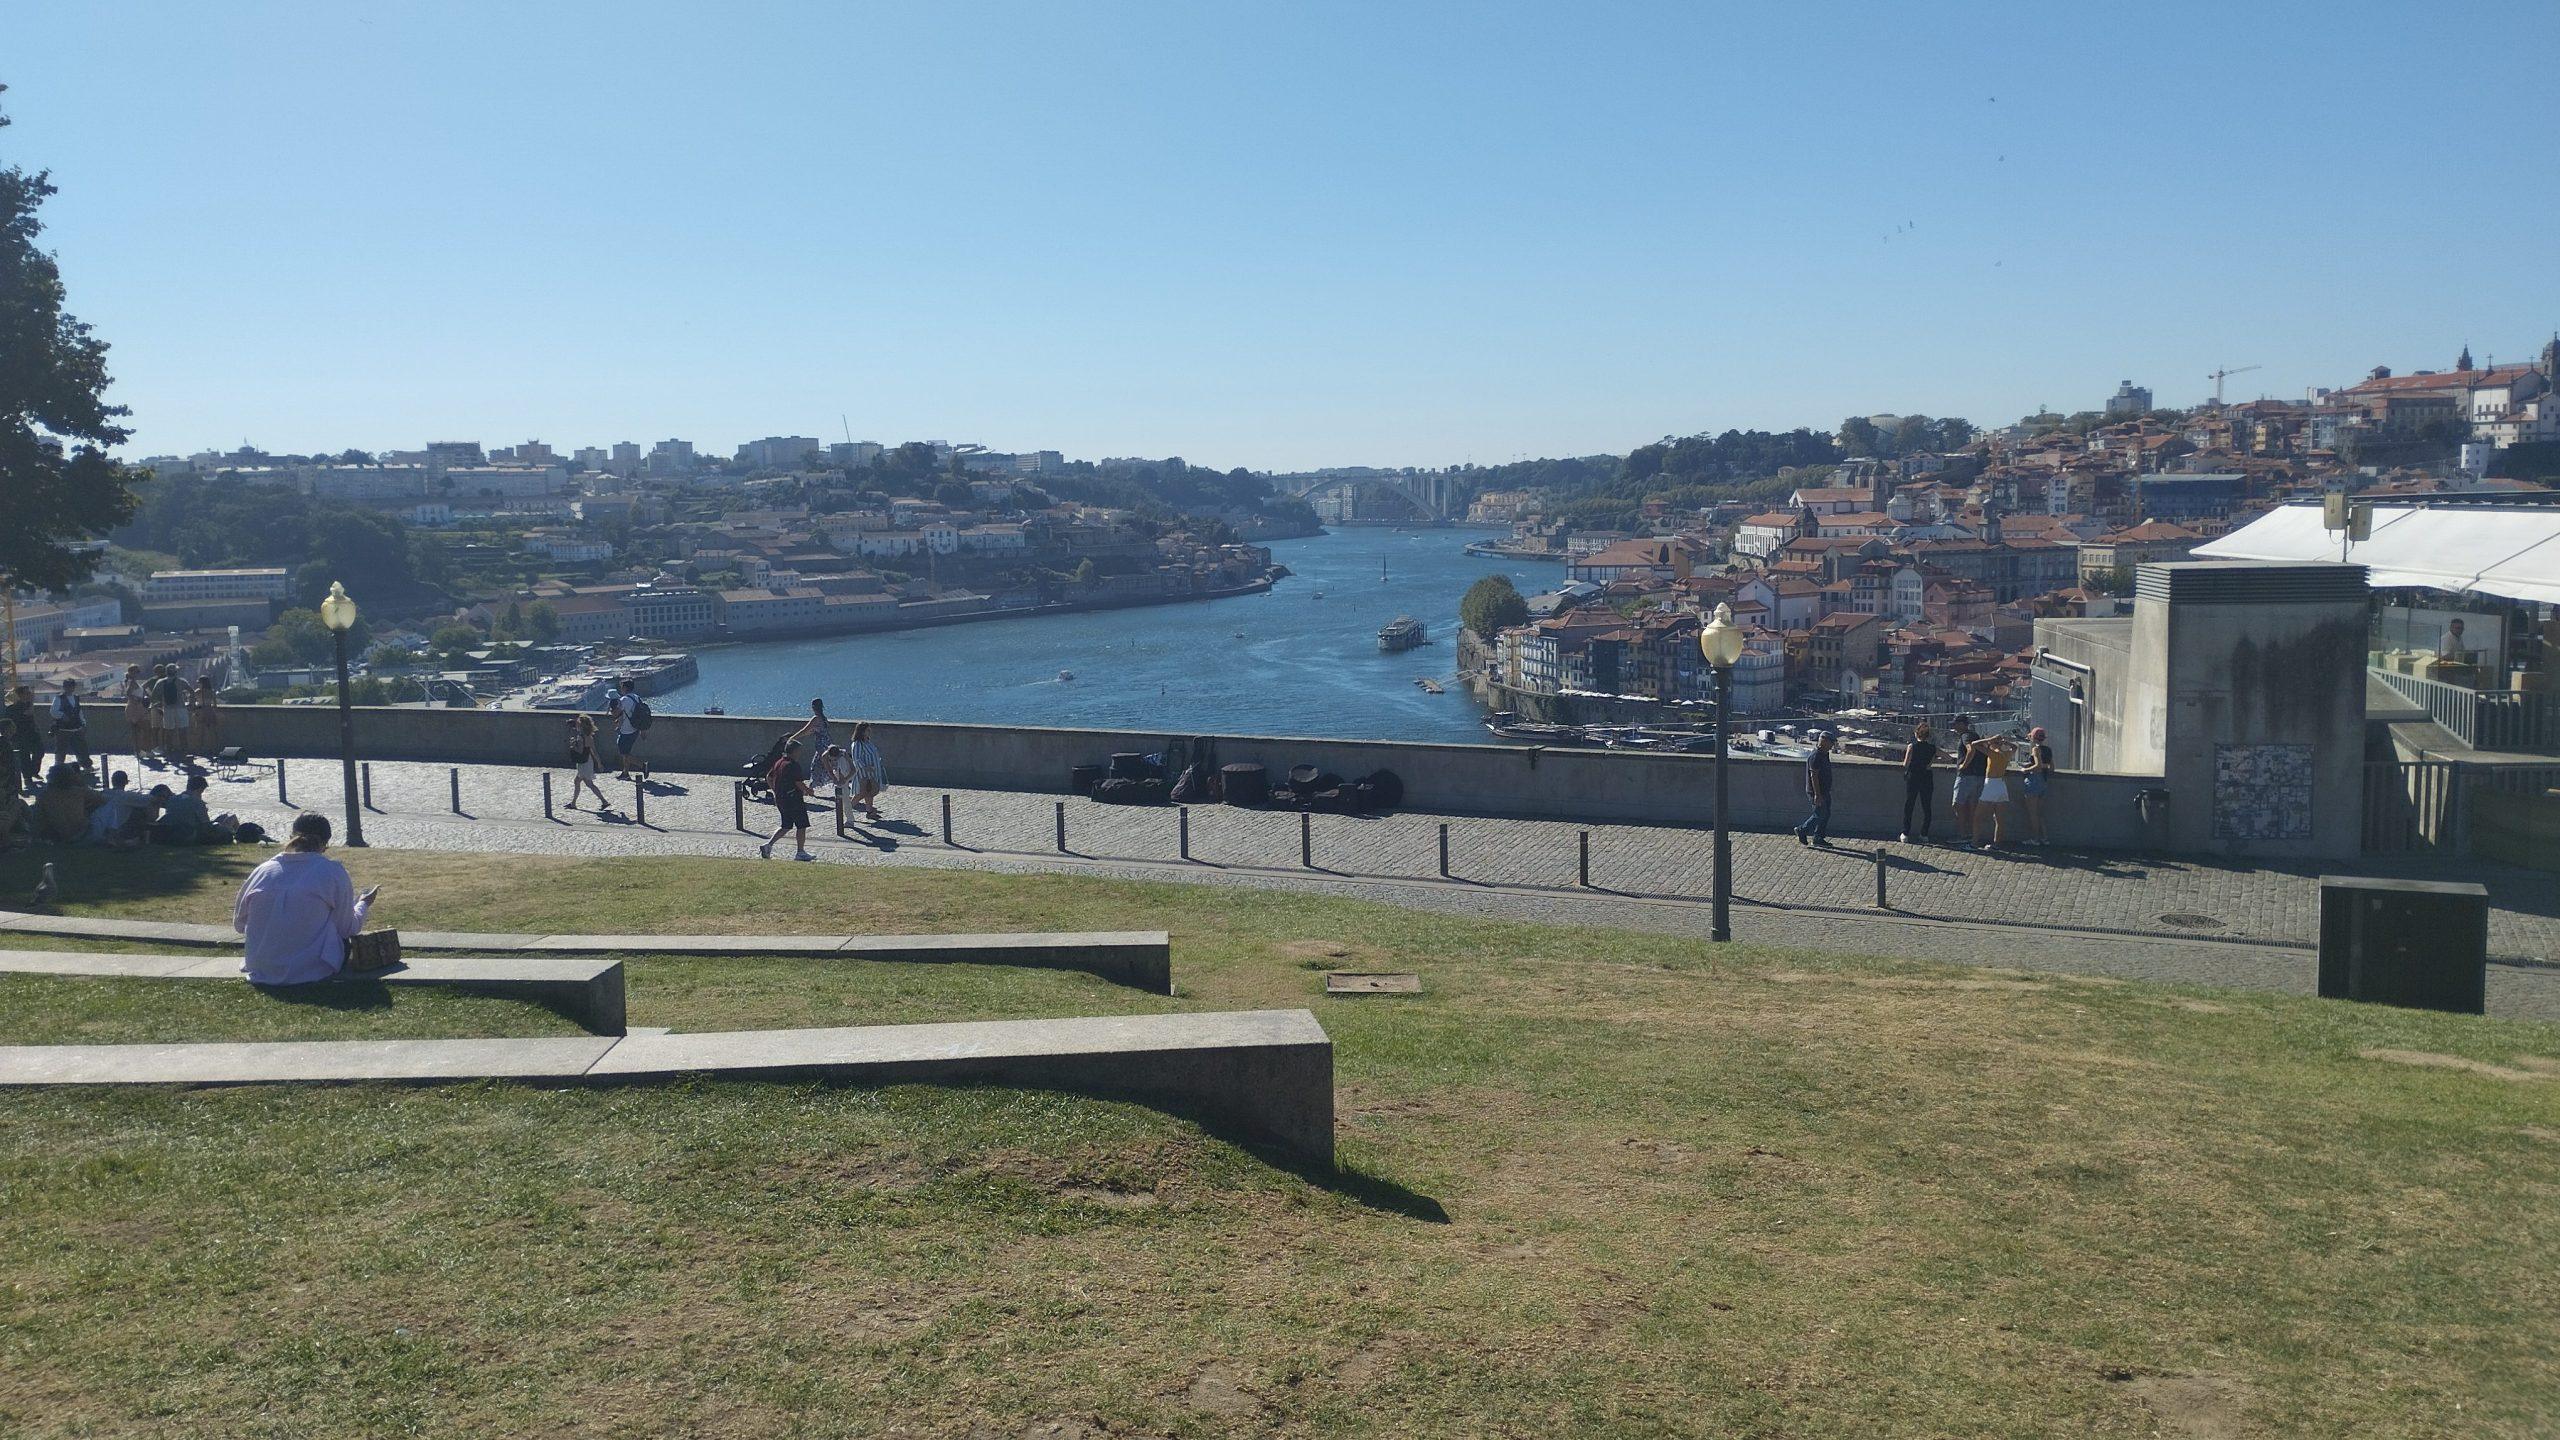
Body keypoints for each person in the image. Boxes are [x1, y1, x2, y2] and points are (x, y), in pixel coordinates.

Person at [233, 812, 379, 986]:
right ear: (325, 844)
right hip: (311, 969)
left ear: (291, 837)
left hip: (260, 967)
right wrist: (363, 904)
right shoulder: (332, 872)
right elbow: (347, 929)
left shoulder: (262, 871)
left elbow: (239, 925)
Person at [758, 739, 815, 860]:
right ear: (794, 751)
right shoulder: (793, 765)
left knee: (786, 825)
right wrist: (808, 791)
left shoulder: (779, 762)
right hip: (793, 799)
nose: (800, 753)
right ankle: (800, 852)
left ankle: (768, 845)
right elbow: (798, 782)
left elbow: (769, 776)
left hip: (781, 799)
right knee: (801, 825)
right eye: (799, 751)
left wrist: (775, 790)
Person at [84, 771, 154, 848]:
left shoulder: (103, 793)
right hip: (107, 832)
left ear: (112, 781)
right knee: (138, 811)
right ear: (126, 782)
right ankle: (138, 837)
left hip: (93, 830)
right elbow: (150, 799)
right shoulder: (126, 796)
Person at [1970, 730, 2013, 849]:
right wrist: (2005, 742)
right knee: (1999, 819)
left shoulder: (1992, 753)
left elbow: (1974, 744)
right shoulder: (2006, 753)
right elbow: (2014, 747)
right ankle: (1997, 843)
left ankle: (1974, 842)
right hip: (2001, 785)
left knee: (1978, 817)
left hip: (1990, 785)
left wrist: (1990, 739)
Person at [1793, 730, 1836, 847]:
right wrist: (1817, 794)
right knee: (1820, 814)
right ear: (1824, 741)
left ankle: (1818, 837)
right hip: (1817, 792)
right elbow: (1814, 776)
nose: (1832, 745)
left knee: (1825, 814)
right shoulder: (1816, 756)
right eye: (1831, 742)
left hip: (1824, 791)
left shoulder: (1824, 754)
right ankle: (1802, 830)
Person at [34, 765, 95, 843]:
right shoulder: (79, 792)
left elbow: (38, 818)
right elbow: (103, 800)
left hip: (56, 834)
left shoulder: (44, 796)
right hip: (80, 832)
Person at [1899, 722, 1937, 842]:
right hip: (1926, 776)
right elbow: (1947, 757)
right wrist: (1932, 760)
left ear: (1916, 734)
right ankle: (1924, 833)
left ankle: (1906, 832)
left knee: (1909, 804)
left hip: (1913, 776)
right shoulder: (1932, 748)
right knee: (1926, 806)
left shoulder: (1912, 746)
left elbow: (1906, 763)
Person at [153, 773, 218, 844]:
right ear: (200, 790)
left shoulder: (172, 799)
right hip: (190, 835)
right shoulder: (197, 802)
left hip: (171, 834)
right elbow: (206, 825)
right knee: (225, 820)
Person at [2015, 726, 2053, 847]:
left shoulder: (2036, 749)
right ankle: (2045, 838)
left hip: (2033, 781)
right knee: (2040, 813)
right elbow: (2051, 768)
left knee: (2033, 813)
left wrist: (2025, 769)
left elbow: (2037, 765)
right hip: (2044, 781)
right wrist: (2043, 766)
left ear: (2033, 737)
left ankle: (2035, 839)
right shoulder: (2048, 749)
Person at [564, 714, 611, 810]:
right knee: (578, 781)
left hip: (583, 763)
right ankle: (573, 803)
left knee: (588, 783)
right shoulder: (589, 736)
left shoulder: (581, 737)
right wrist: (599, 763)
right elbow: (594, 751)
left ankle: (604, 801)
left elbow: (580, 751)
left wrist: (573, 745)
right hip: (587, 761)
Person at [1948, 714, 1983, 841]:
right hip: (1978, 776)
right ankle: (1973, 836)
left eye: (1956, 724)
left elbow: (1970, 749)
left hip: (1967, 776)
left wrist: (1963, 765)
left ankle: (1963, 835)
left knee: (1957, 804)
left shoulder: (1965, 736)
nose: (1954, 727)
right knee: (1972, 807)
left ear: (1962, 724)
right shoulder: (1975, 735)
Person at [608, 678, 650, 781]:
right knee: (626, 752)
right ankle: (625, 773)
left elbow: (616, 713)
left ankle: (642, 765)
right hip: (635, 729)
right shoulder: (637, 697)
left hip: (627, 731)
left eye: (621, 686)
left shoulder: (624, 700)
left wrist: (611, 706)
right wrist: (642, 730)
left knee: (624, 753)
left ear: (625, 688)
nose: (620, 688)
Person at [4, 684, 41, 796]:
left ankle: (33, 771)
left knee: (40, 751)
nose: (29, 695)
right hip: (21, 735)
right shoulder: (14, 708)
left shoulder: (28, 705)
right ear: (20, 695)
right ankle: (27, 777)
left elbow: (32, 718)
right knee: (24, 756)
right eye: (27, 693)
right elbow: (27, 713)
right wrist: (32, 702)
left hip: (32, 734)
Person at [847, 721, 886, 822]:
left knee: (870, 791)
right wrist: (866, 767)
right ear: (862, 731)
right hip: (863, 774)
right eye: (867, 730)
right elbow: (857, 759)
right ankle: (847, 809)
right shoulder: (857, 744)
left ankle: (869, 811)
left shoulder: (868, 742)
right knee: (861, 793)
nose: (870, 731)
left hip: (872, 773)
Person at [49, 679, 92, 771]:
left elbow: (79, 712)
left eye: (70, 686)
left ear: (73, 687)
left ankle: (86, 766)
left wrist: (83, 723)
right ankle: (58, 767)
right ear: (64, 687)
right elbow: (53, 711)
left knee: (82, 748)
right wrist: (62, 715)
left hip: (76, 728)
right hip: (63, 729)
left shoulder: (76, 697)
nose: (68, 688)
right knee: (61, 749)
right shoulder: (59, 698)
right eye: (67, 686)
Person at [155, 665, 191, 766]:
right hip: (181, 708)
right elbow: (191, 691)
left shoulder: (160, 682)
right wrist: (191, 704)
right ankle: (184, 753)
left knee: (169, 732)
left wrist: (158, 706)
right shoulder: (181, 681)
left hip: (167, 709)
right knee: (182, 732)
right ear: (176, 672)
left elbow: (154, 695)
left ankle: (169, 753)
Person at [792, 698, 833, 781]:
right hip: (827, 744)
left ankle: (816, 784)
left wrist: (792, 738)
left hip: (821, 746)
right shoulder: (824, 718)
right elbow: (811, 731)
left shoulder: (816, 718)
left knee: (816, 766)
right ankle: (822, 783)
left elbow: (804, 730)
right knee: (823, 765)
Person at [122, 665, 152, 759]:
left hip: (137, 707)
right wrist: (137, 699)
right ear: (131, 672)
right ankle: (145, 750)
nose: (137, 673)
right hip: (135, 708)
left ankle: (140, 751)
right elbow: (128, 693)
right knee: (145, 729)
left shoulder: (131, 682)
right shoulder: (131, 682)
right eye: (135, 672)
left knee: (139, 731)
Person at [191, 676, 222, 757]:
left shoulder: (197, 692)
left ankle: (199, 749)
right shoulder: (212, 691)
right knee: (211, 732)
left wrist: (195, 711)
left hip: (200, 711)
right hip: (209, 711)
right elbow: (215, 705)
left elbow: (193, 703)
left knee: (199, 732)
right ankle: (213, 749)